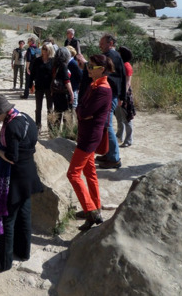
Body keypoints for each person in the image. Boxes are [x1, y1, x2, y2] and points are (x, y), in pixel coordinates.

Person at [0, 95, 44, 273]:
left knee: (6, 220)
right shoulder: (25, 117)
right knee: (24, 214)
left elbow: (12, 158)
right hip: (28, 175)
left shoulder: (12, 126)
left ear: (2, 112)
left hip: (14, 179)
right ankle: (23, 252)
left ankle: (3, 262)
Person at [67, 54, 113, 231]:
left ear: (101, 70)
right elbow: (82, 110)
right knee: (90, 172)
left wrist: (83, 112)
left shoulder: (102, 89)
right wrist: (83, 112)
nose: (88, 69)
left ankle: (90, 211)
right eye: (88, 66)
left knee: (73, 174)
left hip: (90, 137)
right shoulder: (95, 85)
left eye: (92, 67)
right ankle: (95, 206)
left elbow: (83, 111)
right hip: (87, 134)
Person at [78, 32, 126, 169]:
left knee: (107, 126)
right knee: (105, 125)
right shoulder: (115, 56)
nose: (99, 46)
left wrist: (86, 64)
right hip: (111, 94)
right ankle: (108, 153)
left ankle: (114, 158)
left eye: (102, 43)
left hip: (108, 95)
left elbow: (102, 71)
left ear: (110, 43)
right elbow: (121, 77)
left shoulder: (111, 56)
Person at [30, 42, 55, 132]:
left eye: (46, 48)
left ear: (50, 50)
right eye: (43, 48)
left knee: (50, 108)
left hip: (49, 87)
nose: (44, 50)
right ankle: (38, 126)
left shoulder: (53, 61)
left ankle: (50, 127)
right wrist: (30, 85)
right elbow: (32, 74)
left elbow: (55, 75)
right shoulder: (37, 60)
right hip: (39, 86)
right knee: (38, 108)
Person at [114, 46, 136, 148]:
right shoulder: (121, 64)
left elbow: (127, 83)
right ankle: (119, 136)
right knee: (119, 117)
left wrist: (122, 97)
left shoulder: (126, 66)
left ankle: (128, 140)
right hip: (119, 94)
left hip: (124, 95)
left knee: (127, 118)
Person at [49, 47, 74, 131]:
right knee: (66, 114)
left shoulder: (54, 65)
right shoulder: (63, 66)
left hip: (56, 92)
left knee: (58, 113)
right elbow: (67, 80)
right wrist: (71, 93)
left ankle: (55, 132)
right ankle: (66, 133)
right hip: (63, 93)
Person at [66, 45, 83, 111]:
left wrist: (78, 87)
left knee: (73, 109)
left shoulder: (73, 63)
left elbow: (80, 76)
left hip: (74, 88)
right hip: (68, 89)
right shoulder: (67, 63)